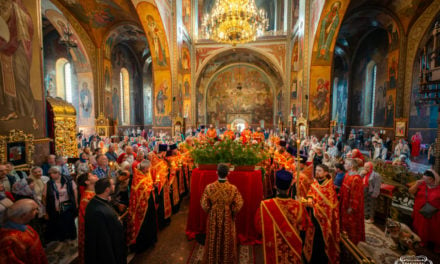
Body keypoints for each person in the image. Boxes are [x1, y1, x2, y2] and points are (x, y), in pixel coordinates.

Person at [255, 169, 314, 263]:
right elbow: (304, 227)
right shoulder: (299, 207)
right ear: (290, 186)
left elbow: (258, 228)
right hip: (292, 248)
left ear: (275, 186)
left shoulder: (264, 205)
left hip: (273, 247)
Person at [200, 163, 243, 264]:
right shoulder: (233, 188)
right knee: (226, 239)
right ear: (228, 173)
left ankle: (212, 259)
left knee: (213, 238)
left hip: (213, 216)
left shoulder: (209, 187)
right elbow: (239, 204)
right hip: (227, 216)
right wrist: (232, 212)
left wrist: (211, 211)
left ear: (216, 172)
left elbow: (204, 204)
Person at [85, 178, 127, 264]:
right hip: (110, 249)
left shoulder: (100, 201)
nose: (114, 186)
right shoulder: (97, 210)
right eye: (112, 184)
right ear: (107, 189)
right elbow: (103, 240)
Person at [306, 164, 340, 264]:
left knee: (319, 243)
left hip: (324, 222)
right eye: (316, 170)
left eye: (320, 171)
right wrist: (309, 199)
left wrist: (314, 206)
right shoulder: (316, 182)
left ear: (326, 173)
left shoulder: (329, 187)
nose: (317, 172)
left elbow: (328, 207)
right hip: (314, 218)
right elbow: (311, 192)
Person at [0, 199, 47, 264]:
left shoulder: (26, 226)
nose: (37, 212)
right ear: (23, 215)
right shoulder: (8, 240)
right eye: (33, 210)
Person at [127, 161, 157, 253]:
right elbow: (140, 191)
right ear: (144, 169)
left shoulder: (144, 174)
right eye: (149, 168)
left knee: (150, 221)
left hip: (149, 203)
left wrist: (152, 186)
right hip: (142, 207)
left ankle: (150, 240)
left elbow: (148, 186)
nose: (149, 170)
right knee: (144, 224)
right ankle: (144, 244)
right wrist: (150, 187)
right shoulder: (137, 178)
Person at [43, 166, 78, 243]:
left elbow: (74, 191)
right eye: (50, 174)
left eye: (52, 173)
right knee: (58, 222)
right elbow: (44, 196)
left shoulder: (68, 180)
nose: (51, 175)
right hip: (54, 205)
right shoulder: (49, 183)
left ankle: (70, 236)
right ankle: (61, 238)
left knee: (68, 220)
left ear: (58, 173)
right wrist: (46, 207)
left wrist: (76, 203)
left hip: (66, 204)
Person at [409, 170, 440, 253]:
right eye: (424, 178)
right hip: (420, 212)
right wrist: (416, 184)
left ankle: (436, 246)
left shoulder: (438, 188)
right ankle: (422, 241)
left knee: (434, 229)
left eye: (427, 179)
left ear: (432, 180)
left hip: (434, 214)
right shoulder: (422, 184)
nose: (424, 180)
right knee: (421, 227)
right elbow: (411, 191)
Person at [339, 158, 365, 244]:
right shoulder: (347, 175)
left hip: (350, 207)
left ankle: (351, 243)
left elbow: (356, 195)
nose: (344, 165)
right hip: (343, 203)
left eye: (346, 164)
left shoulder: (356, 179)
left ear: (352, 166)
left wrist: (352, 207)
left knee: (351, 225)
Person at [77, 173, 97, 264]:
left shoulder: (94, 193)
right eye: (92, 175)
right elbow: (91, 218)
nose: (95, 175)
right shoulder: (87, 198)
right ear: (87, 182)